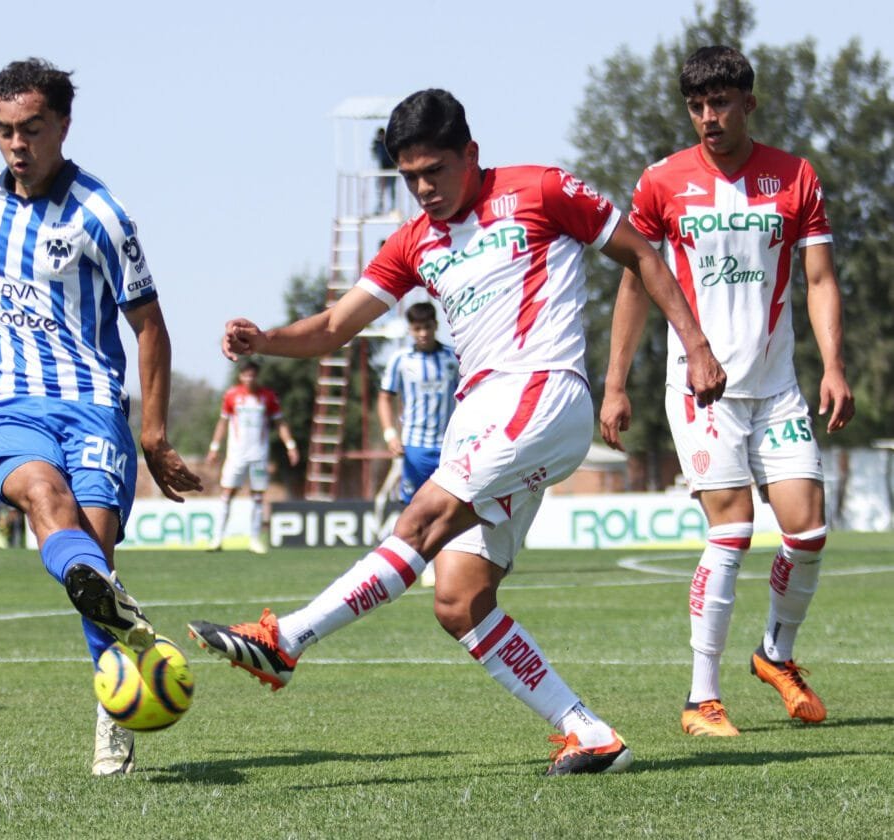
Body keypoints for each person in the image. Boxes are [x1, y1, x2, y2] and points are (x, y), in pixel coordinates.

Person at [189, 88, 726, 775]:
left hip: (541, 390)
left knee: (420, 517)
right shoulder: (413, 241)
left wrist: (696, 346)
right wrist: (264, 339)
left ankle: (285, 639)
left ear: (470, 155)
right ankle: (589, 733)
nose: (422, 189)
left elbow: (642, 255)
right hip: (480, 415)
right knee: (457, 600)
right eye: (409, 176)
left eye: (434, 171)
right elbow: (331, 328)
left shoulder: (539, 188)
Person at [0, 58, 202, 776]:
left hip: (93, 409)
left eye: (31, 129)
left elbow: (150, 326)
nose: (16, 145)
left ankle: (113, 698)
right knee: (45, 499)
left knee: (92, 558)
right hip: (9, 400)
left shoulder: (102, 215)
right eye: (4, 131)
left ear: (63, 125)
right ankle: (122, 680)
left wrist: (152, 435)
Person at [600, 46, 854, 737]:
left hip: (776, 389)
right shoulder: (660, 182)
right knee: (733, 531)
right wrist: (615, 383)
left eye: (719, 104)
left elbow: (820, 280)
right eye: (695, 107)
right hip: (698, 387)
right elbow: (633, 283)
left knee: (806, 531)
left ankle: (774, 655)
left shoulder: (794, 176)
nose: (707, 119)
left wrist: (832, 366)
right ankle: (699, 698)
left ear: (747, 101)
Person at [377, 301, 459, 585]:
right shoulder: (401, 360)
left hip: (450, 446)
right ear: (410, 330)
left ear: (435, 325)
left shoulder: (453, 357)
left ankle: (447, 564)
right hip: (415, 446)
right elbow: (385, 396)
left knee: (453, 507)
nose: (422, 333)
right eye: (417, 328)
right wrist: (390, 433)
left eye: (426, 327)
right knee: (415, 508)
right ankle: (419, 564)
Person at [205, 360, 300, 553]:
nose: (249, 378)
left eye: (252, 374)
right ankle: (217, 538)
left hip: (258, 454)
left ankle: (255, 539)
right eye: (246, 374)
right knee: (227, 493)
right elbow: (222, 423)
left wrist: (291, 445)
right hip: (236, 454)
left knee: (258, 495)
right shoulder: (232, 395)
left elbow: (280, 423)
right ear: (241, 376)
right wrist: (214, 447)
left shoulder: (267, 397)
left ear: (257, 376)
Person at [372, 127, 397, 214]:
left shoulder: (389, 143)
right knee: (380, 190)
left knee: (391, 189)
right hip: (382, 170)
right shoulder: (377, 144)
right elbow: (375, 155)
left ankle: (392, 207)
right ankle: (380, 207)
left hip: (391, 170)